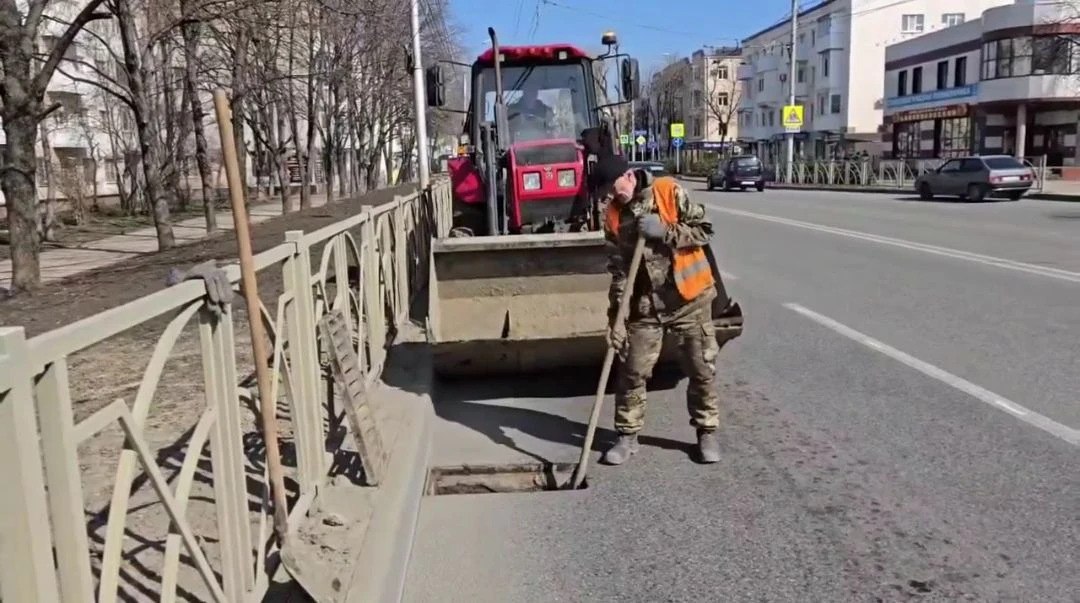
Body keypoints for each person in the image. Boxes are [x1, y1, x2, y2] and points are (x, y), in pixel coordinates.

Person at [593, 153, 723, 465]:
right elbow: (619, 269)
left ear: (628, 176)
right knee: (632, 370)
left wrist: (664, 230)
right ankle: (626, 436)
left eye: (614, 189)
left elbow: (704, 230)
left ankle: (706, 433)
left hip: (688, 299)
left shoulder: (668, 191)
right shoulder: (612, 214)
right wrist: (617, 318)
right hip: (646, 305)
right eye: (606, 194)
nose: (613, 196)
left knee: (701, 369)